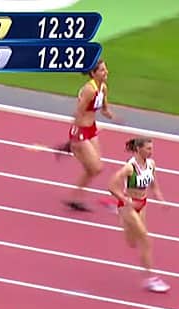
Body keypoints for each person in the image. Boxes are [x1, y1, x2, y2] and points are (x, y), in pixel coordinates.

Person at [107, 137, 170, 293]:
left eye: (152, 148)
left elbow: (154, 186)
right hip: (128, 206)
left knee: (132, 243)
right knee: (146, 240)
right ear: (138, 149)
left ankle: (123, 221)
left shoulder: (151, 164)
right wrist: (124, 200)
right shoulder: (129, 168)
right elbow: (111, 185)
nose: (151, 151)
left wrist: (162, 200)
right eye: (148, 148)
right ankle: (151, 279)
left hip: (142, 205)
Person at [55, 59, 115, 212]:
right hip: (80, 131)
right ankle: (75, 197)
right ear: (93, 73)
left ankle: (75, 198)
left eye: (106, 69)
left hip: (91, 129)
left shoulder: (103, 88)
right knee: (96, 168)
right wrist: (73, 137)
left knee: (94, 169)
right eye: (102, 70)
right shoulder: (89, 90)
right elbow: (78, 113)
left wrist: (113, 116)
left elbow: (104, 109)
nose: (106, 72)